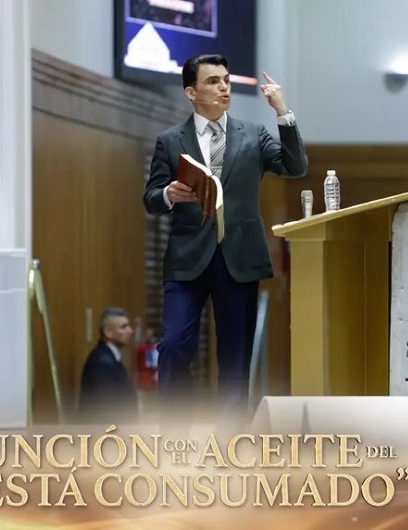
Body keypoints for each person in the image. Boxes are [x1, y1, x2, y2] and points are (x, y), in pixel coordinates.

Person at [142, 54, 309, 417]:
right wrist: (168, 194)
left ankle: (230, 433)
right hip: (187, 258)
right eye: (213, 81)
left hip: (239, 256)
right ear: (191, 92)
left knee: (235, 354)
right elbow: (151, 198)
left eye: (227, 80)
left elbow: (295, 166)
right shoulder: (170, 140)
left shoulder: (253, 134)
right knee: (173, 344)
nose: (224, 87)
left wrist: (282, 111)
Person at [78, 307, 139, 423]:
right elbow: (104, 409)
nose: (130, 331)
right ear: (108, 332)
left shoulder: (110, 356)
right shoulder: (101, 362)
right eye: (124, 327)